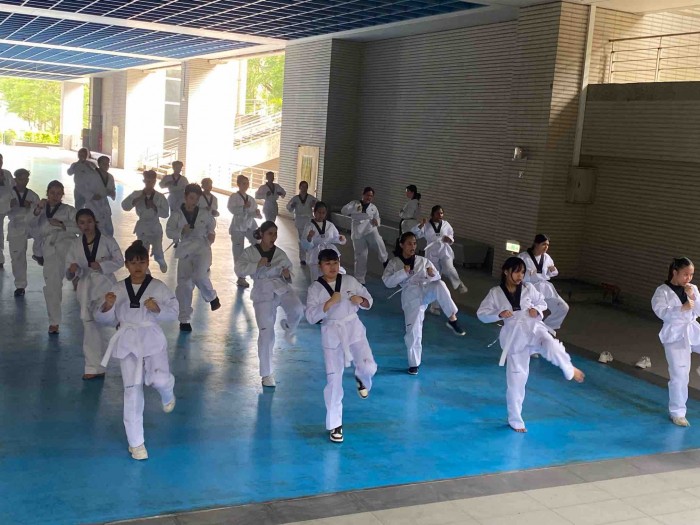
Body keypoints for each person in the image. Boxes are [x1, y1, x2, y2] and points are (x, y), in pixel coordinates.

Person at [477, 257, 585, 432]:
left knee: (551, 345)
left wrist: (538, 310)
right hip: (514, 338)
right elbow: (482, 314)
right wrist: (499, 314)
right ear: (506, 271)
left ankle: (568, 369)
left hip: (534, 329)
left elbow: (542, 302)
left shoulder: (528, 288)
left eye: (522, 272)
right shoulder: (495, 293)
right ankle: (515, 420)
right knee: (517, 379)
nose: (520, 276)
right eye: (516, 272)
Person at [94, 240, 178, 461]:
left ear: (147, 263)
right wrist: (107, 306)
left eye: (141, 262)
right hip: (128, 340)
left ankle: (167, 390)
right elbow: (103, 319)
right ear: (127, 265)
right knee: (131, 391)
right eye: (133, 263)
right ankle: (136, 443)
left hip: (151, 337)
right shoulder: (118, 289)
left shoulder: (158, 287)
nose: (137, 266)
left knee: (158, 379)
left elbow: (174, 312)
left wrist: (157, 309)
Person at [306, 249, 377, 443]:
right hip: (332, 333)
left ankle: (362, 378)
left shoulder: (349, 281)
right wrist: (328, 304)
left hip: (353, 327)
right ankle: (335, 425)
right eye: (327, 264)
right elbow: (310, 316)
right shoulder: (315, 289)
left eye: (335, 263)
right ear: (320, 266)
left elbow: (369, 300)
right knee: (334, 380)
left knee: (369, 366)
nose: (332, 267)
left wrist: (361, 300)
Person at [382, 232, 466, 375]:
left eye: (414, 243)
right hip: (410, 297)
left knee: (440, 284)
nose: (413, 246)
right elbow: (387, 282)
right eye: (409, 243)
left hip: (425, 289)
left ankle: (452, 318)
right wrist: (402, 273)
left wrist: (432, 274)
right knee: (414, 331)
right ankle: (414, 364)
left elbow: (436, 276)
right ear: (402, 245)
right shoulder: (394, 263)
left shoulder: (423, 260)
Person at [234, 221, 303, 387]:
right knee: (266, 333)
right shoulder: (250, 252)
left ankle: (289, 327)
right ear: (262, 234)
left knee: (297, 309)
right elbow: (239, 269)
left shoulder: (280, 253)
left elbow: (290, 272)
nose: (274, 237)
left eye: (275, 233)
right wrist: (256, 264)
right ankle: (267, 374)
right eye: (270, 233)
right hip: (262, 291)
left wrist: (287, 274)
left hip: (280, 286)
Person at [65, 209, 124, 379]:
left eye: (89, 221)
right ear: (78, 225)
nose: (86, 226)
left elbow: (120, 261)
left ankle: (134, 350)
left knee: (115, 318)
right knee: (89, 325)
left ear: (95, 221)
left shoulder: (107, 240)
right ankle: (93, 367)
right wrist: (72, 271)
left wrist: (102, 266)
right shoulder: (75, 244)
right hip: (86, 288)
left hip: (105, 286)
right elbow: (69, 270)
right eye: (82, 223)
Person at [652, 257, 700, 427]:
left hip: (692, 328)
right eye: (685, 274)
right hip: (675, 334)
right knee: (680, 375)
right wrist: (681, 308)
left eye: (691, 275)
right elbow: (661, 312)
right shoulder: (662, 292)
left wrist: (693, 297)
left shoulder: (692, 288)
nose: (689, 278)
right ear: (675, 272)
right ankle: (678, 413)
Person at [165, 183, 220, 332]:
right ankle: (184, 320)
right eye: (191, 198)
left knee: (199, 275)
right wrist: (181, 231)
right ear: (185, 197)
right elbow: (169, 231)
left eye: (196, 199)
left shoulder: (204, 213)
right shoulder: (177, 214)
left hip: (202, 248)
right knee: (184, 285)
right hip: (185, 250)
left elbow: (211, 225)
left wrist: (211, 235)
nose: (194, 201)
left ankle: (212, 297)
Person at [31, 180, 80, 334]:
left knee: (78, 272)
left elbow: (82, 227)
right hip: (50, 248)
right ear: (47, 193)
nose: (55, 196)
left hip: (67, 244)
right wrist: (38, 209)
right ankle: (54, 322)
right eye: (52, 193)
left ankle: (74, 274)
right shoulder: (40, 209)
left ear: (62, 195)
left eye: (58, 193)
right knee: (52, 286)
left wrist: (62, 225)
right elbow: (30, 224)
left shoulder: (69, 210)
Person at [412, 205, 468, 315]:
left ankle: (458, 284)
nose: (440, 215)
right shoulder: (426, 225)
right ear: (432, 214)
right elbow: (415, 234)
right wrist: (421, 225)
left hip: (444, 249)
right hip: (431, 252)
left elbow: (451, 235)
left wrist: (449, 239)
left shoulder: (446, 224)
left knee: (449, 268)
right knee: (435, 279)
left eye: (442, 213)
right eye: (438, 213)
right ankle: (435, 307)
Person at [121, 170, 170, 273]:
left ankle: (160, 260)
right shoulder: (137, 194)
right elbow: (124, 206)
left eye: (152, 181)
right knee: (143, 250)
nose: (150, 183)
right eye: (148, 181)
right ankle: (145, 271)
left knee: (158, 249)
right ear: (144, 181)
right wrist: (137, 200)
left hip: (155, 226)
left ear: (155, 182)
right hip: (143, 227)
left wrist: (155, 207)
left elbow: (166, 214)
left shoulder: (160, 196)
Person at [518, 234, 569, 331]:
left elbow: (552, 273)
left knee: (563, 307)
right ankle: (526, 331)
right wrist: (528, 273)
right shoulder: (523, 257)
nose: (546, 247)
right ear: (536, 244)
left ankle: (547, 329)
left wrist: (552, 270)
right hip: (529, 288)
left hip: (545, 287)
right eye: (543, 244)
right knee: (529, 313)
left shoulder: (547, 258)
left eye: (548, 245)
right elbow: (515, 275)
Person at [341, 187, 389, 285]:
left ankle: (385, 261)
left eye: (371, 196)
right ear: (363, 195)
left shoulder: (373, 207)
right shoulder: (354, 203)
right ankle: (360, 280)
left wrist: (377, 222)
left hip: (370, 229)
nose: (369, 197)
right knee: (361, 256)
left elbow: (377, 218)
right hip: (358, 233)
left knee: (379, 243)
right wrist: (354, 209)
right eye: (367, 195)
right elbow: (343, 211)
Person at [7, 168, 39, 296]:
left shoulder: (32, 195)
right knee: (17, 257)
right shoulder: (9, 194)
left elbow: (40, 209)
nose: (24, 182)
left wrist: (31, 206)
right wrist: (9, 205)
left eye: (26, 179)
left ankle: (39, 253)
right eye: (21, 179)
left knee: (47, 235)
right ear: (15, 179)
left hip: (31, 224)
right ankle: (20, 285)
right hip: (16, 226)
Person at [228, 174, 261, 288]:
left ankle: (257, 269)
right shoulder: (234, 197)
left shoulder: (250, 198)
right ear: (238, 184)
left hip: (249, 225)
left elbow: (253, 212)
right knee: (238, 252)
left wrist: (256, 213)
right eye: (243, 183)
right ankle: (241, 277)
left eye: (247, 183)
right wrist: (243, 207)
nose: (246, 185)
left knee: (258, 244)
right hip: (237, 227)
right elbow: (231, 209)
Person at [301, 201, 347, 282]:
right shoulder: (309, 225)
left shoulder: (330, 225)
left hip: (330, 252)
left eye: (323, 213)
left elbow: (335, 237)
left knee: (333, 275)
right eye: (319, 212)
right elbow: (305, 245)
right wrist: (309, 237)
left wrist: (340, 238)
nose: (321, 215)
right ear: (314, 212)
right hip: (315, 253)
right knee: (316, 278)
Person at [83, 155, 116, 236]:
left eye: (108, 164)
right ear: (99, 164)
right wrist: (92, 196)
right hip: (92, 204)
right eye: (104, 163)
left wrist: (111, 193)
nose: (106, 166)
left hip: (104, 205)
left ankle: (107, 242)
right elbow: (83, 188)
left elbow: (112, 190)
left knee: (108, 230)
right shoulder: (90, 175)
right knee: (93, 228)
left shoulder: (110, 177)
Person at [286, 180, 317, 265]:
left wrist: (314, 205)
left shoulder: (311, 198)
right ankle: (303, 258)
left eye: (306, 187)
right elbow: (288, 207)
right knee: (302, 239)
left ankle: (311, 256)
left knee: (310, 238)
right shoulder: (295, 198)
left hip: (309, 220)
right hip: (299, 220)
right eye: (302, 186)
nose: (304, 188)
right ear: (299, 187)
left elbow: (318, 206)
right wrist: (292, 206)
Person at [0, 153, 16, 269]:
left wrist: (13, 198)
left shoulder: (7, 173)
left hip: (6, 207)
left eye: (0, 161)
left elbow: (13, 188)